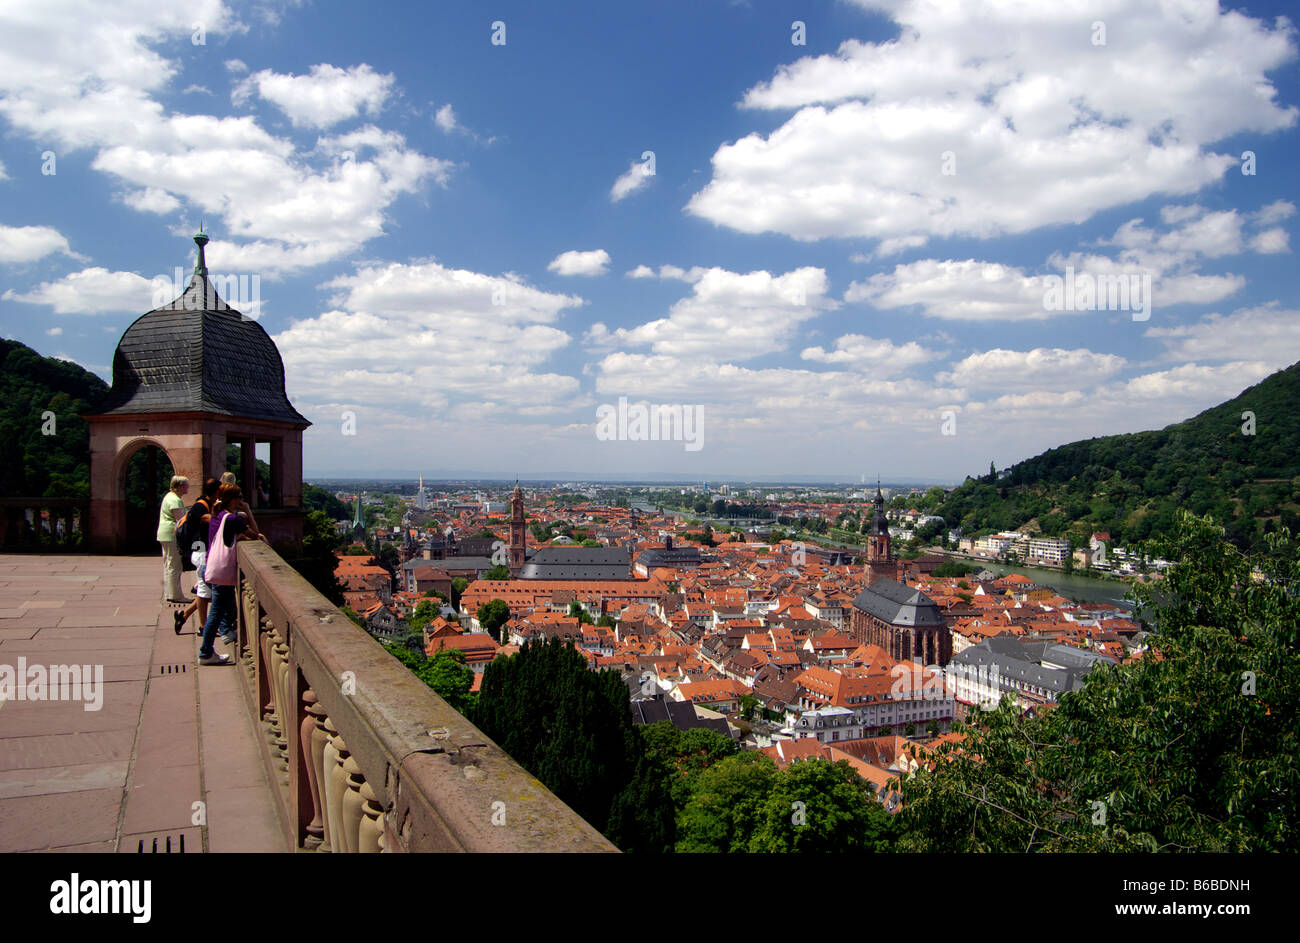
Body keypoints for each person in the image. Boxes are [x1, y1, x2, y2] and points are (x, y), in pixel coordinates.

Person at [197, 484, 262, 666]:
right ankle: (205, 652)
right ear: (233, 499)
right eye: (239, 497)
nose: (241, 500)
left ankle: (225, 635)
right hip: (221, 572)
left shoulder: (217, 515)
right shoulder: (232, 519)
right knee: (216, 612)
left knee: (224, 609)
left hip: (210, 566)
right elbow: (255, 534)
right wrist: (248, 511)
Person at [175, 478, 220, 634]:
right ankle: (203, 627)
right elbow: (212, 520)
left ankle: (184, 616)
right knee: (204, 592)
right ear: (216, 492)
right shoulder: (201, 507)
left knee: (205, 592)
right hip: (200, 552)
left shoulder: (204, 503)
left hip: (201, 551)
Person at [158, 475, 190, 604]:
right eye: (186, 485)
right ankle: (175, 595)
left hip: (164, 533)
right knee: (175, 565)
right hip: (171, 534)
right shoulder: (174, 500)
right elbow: (181, 520)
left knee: (169, 564)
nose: (188, 487)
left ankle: (169, 593)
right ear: (180, 486)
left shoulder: (169, 497)